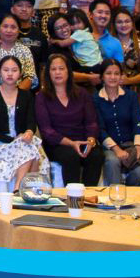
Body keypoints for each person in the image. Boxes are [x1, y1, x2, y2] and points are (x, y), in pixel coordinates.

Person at [0, 54, 43, 194]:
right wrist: (11, 139)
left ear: (20, 73)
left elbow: (31, 121)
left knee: (29, 146)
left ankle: (18, 187)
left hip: (21, 140)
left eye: (14, 70)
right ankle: (23, 188)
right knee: (32, 151)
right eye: (6, 70)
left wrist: (29, 131)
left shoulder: (26, 95)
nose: (10, 74)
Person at [35, 53, 101, 186]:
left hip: (83, 140)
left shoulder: (82, 93)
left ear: (68, 71)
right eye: (53, 69)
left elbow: (91, 122)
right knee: (71, 157)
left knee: (96, 156)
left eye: (61, 68)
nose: (57, 72)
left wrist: (90, 141)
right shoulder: (41, 97)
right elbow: (47, 131)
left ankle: (90, 195)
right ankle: (73, 196)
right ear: (48, 73)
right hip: (57, 144)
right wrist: (71, 143)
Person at [92, 60, 140, 187]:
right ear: (102, 76)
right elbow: (100, 129)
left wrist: (138, 146)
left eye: (116, 73)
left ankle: (129, 196)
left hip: (131, 144)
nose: (113, 77)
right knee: (112, 161)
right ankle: (115, 196)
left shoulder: (131, 96)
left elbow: (138, 123)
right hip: (108, 147)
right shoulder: (95, 99)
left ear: (121, 76)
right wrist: (117, 149)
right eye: (108, 73)